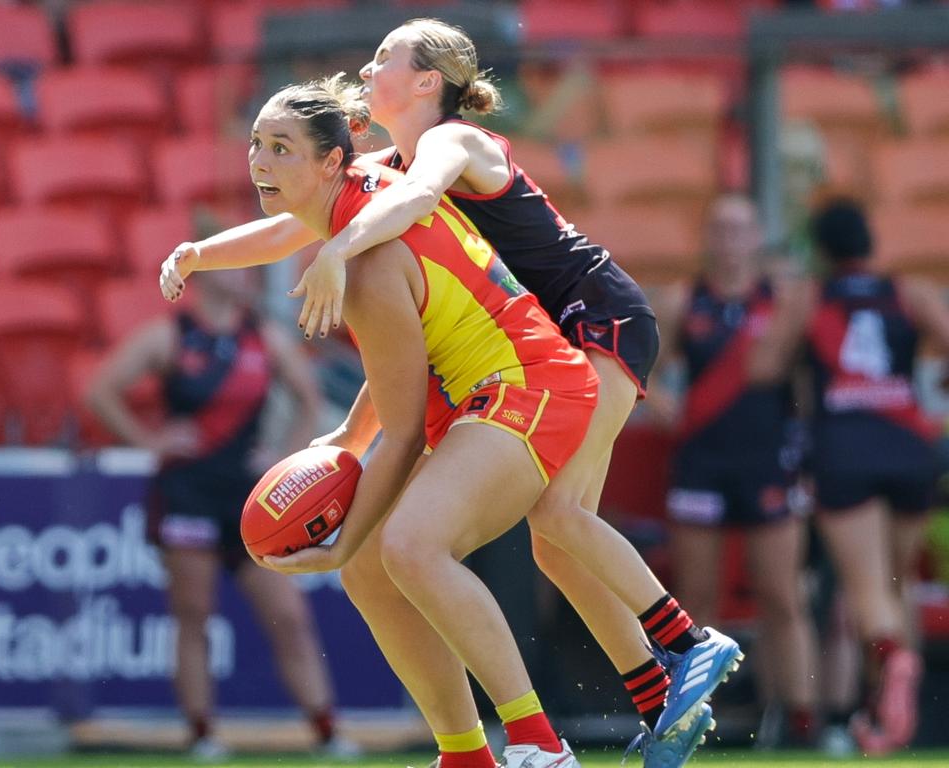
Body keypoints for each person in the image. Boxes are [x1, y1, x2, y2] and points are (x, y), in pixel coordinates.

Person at [160, 20, 741, 766]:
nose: (369, 70)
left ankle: (654, 663)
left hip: (588, 319)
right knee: (472, 549)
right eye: (257, 147)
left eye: (385, 59)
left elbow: (400, 220)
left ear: (430, 81)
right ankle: (517, 737)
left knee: (522, 522)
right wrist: (202, 253)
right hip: (505, 364)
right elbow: (299, 240)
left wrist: (338, 253)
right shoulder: (373, 182)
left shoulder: (445, 149)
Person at [85, 267, 358, 760]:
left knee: (288, 616)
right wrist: (148, 442)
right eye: (236, 267)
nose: (250, 276)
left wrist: (284, 458)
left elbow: (308, 398)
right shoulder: (169, 336)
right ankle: (202, 734)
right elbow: (100, 389)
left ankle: (326, 731)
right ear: (207, 276)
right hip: (187, 492)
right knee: (194, 614)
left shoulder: (264, 338)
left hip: (249, 498)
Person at [649, 194, 819, 747]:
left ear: (755, 238)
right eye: (718, 228)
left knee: (781, 594)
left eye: (739, 229)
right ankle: (693, 721)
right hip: (701, 462)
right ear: (707, 238)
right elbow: (643, 372)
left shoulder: (782, 302)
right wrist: (675, 416)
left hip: (767, 461)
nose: (728, 239)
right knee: (696, 597)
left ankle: (801, 719)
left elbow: (802, 385)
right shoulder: (683, 300)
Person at [803, 198, 949, 755]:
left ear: (823, 250)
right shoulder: (907, 292)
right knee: (898, 582)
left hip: (847, 450)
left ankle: (897, 665)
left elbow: (763, 364)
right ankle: (884, 719)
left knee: (866, 590)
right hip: (911, 449)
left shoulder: (811, 298)